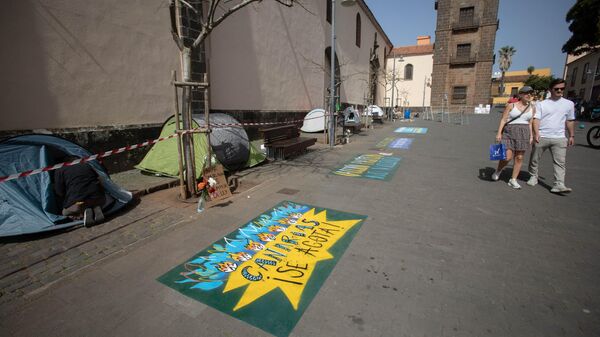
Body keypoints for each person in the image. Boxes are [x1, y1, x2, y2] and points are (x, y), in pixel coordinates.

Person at [526, 78, 575, 193]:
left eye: (562, 88)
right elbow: (536, 119)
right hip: (542, 135)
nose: (559, 90)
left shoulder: (569, 104)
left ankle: (559, 184)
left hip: (560, 137)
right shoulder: (541, 104)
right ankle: (533, 176)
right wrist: (536, 133)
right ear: (550, 89)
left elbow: (570, 120)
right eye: (556, 89)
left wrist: (571, 135)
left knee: (560, 162)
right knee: (534, 159)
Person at [492, 86, 536, 189]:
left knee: (519, 157)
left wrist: (531, 135)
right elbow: (503, 119)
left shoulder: (532, 108)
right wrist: (499, 133)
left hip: (524, 133)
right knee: (507, 157)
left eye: (531, 93)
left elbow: (530, 123)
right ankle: (498, 170)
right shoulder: (511, 106)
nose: (529, 95)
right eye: (526, 93)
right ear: (520, 95)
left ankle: (513, 179)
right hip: (510, 132)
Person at [54, 156, 106, 227]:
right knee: (91, 200)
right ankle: (95, 208)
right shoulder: (86, 164)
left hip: (80, 202)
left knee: (65, 212)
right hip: (99, 198)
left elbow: (59, 192)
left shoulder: (60, 170)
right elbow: (100, 179)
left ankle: (82, 213)